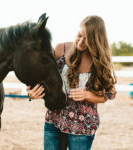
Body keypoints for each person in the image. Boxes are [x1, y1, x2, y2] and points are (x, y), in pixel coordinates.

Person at [26, 15, 117, 150]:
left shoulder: (101, 63)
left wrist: (87, 95)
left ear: (97, 40)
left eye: (87, 40)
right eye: (79, 36)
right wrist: (32, 92)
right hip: (53, 121)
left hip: (82, 127)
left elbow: (107, 95)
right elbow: (43, 77)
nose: (80, 42)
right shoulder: (60, 49)